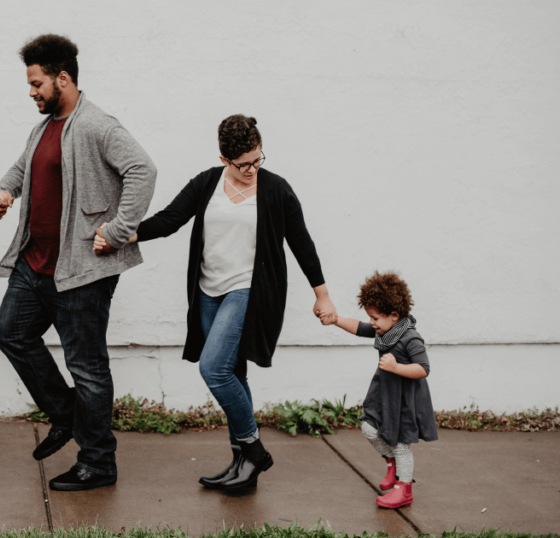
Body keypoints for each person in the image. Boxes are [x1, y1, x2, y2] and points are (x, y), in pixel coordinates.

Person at [95, 115, 337, 490]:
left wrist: (322, 294)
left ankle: (254, 450)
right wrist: (120, 236)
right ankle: (242, 466)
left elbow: (301, 242)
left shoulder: (275, 190)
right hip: (208, 292)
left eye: (258, 160)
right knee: (233, 373)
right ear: (225, 159)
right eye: (244, 164)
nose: (253, 169)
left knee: (214, 369)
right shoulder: (208, 183)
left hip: (248, 290)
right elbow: (170, 220)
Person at [0, 34, 156, 491]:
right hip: (35, 264)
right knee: (10, 333)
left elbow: (143, 170)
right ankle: (66, 416)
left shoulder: (97, 125)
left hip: (80, 270)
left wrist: (118, 231)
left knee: (87, 366)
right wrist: (2, 191)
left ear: (63, 78)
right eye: (30, 83)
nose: (31, 91)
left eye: (37, 82)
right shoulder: (43, 127)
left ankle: (98, 462)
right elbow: (22, 169)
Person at [332, 272, 438, 509]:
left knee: (401, 445)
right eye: (371, 318)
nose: (372, 323)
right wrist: (335, 319)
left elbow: (423, 368)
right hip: (385, 396)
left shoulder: (410, 337)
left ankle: (404, 489)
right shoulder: (385, 330)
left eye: (375, 318)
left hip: (404, 400)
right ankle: (392, 463)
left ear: (394, 315)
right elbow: (359, 328)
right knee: (369, 428)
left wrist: (396, 366)